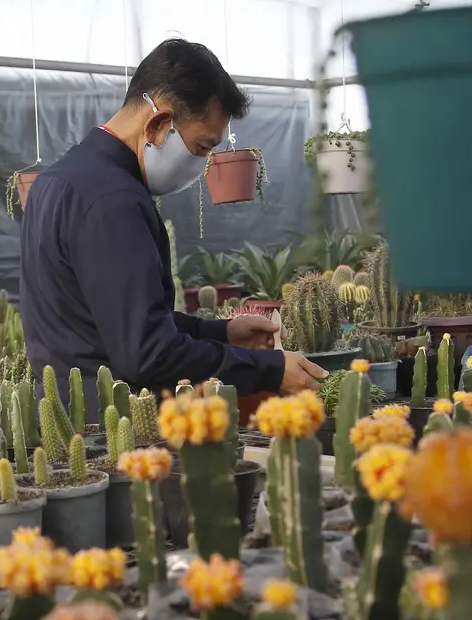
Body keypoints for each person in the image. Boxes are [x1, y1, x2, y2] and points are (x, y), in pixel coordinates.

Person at [19, 38, 327, 420]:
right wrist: (270, 369)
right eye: (202, 146)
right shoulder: (114, 200)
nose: (203, 164)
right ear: (160, 122)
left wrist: (221, 333)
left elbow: (118, 320)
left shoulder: (57, 181)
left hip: (67, 420)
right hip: (111, 430)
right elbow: (148, 354)